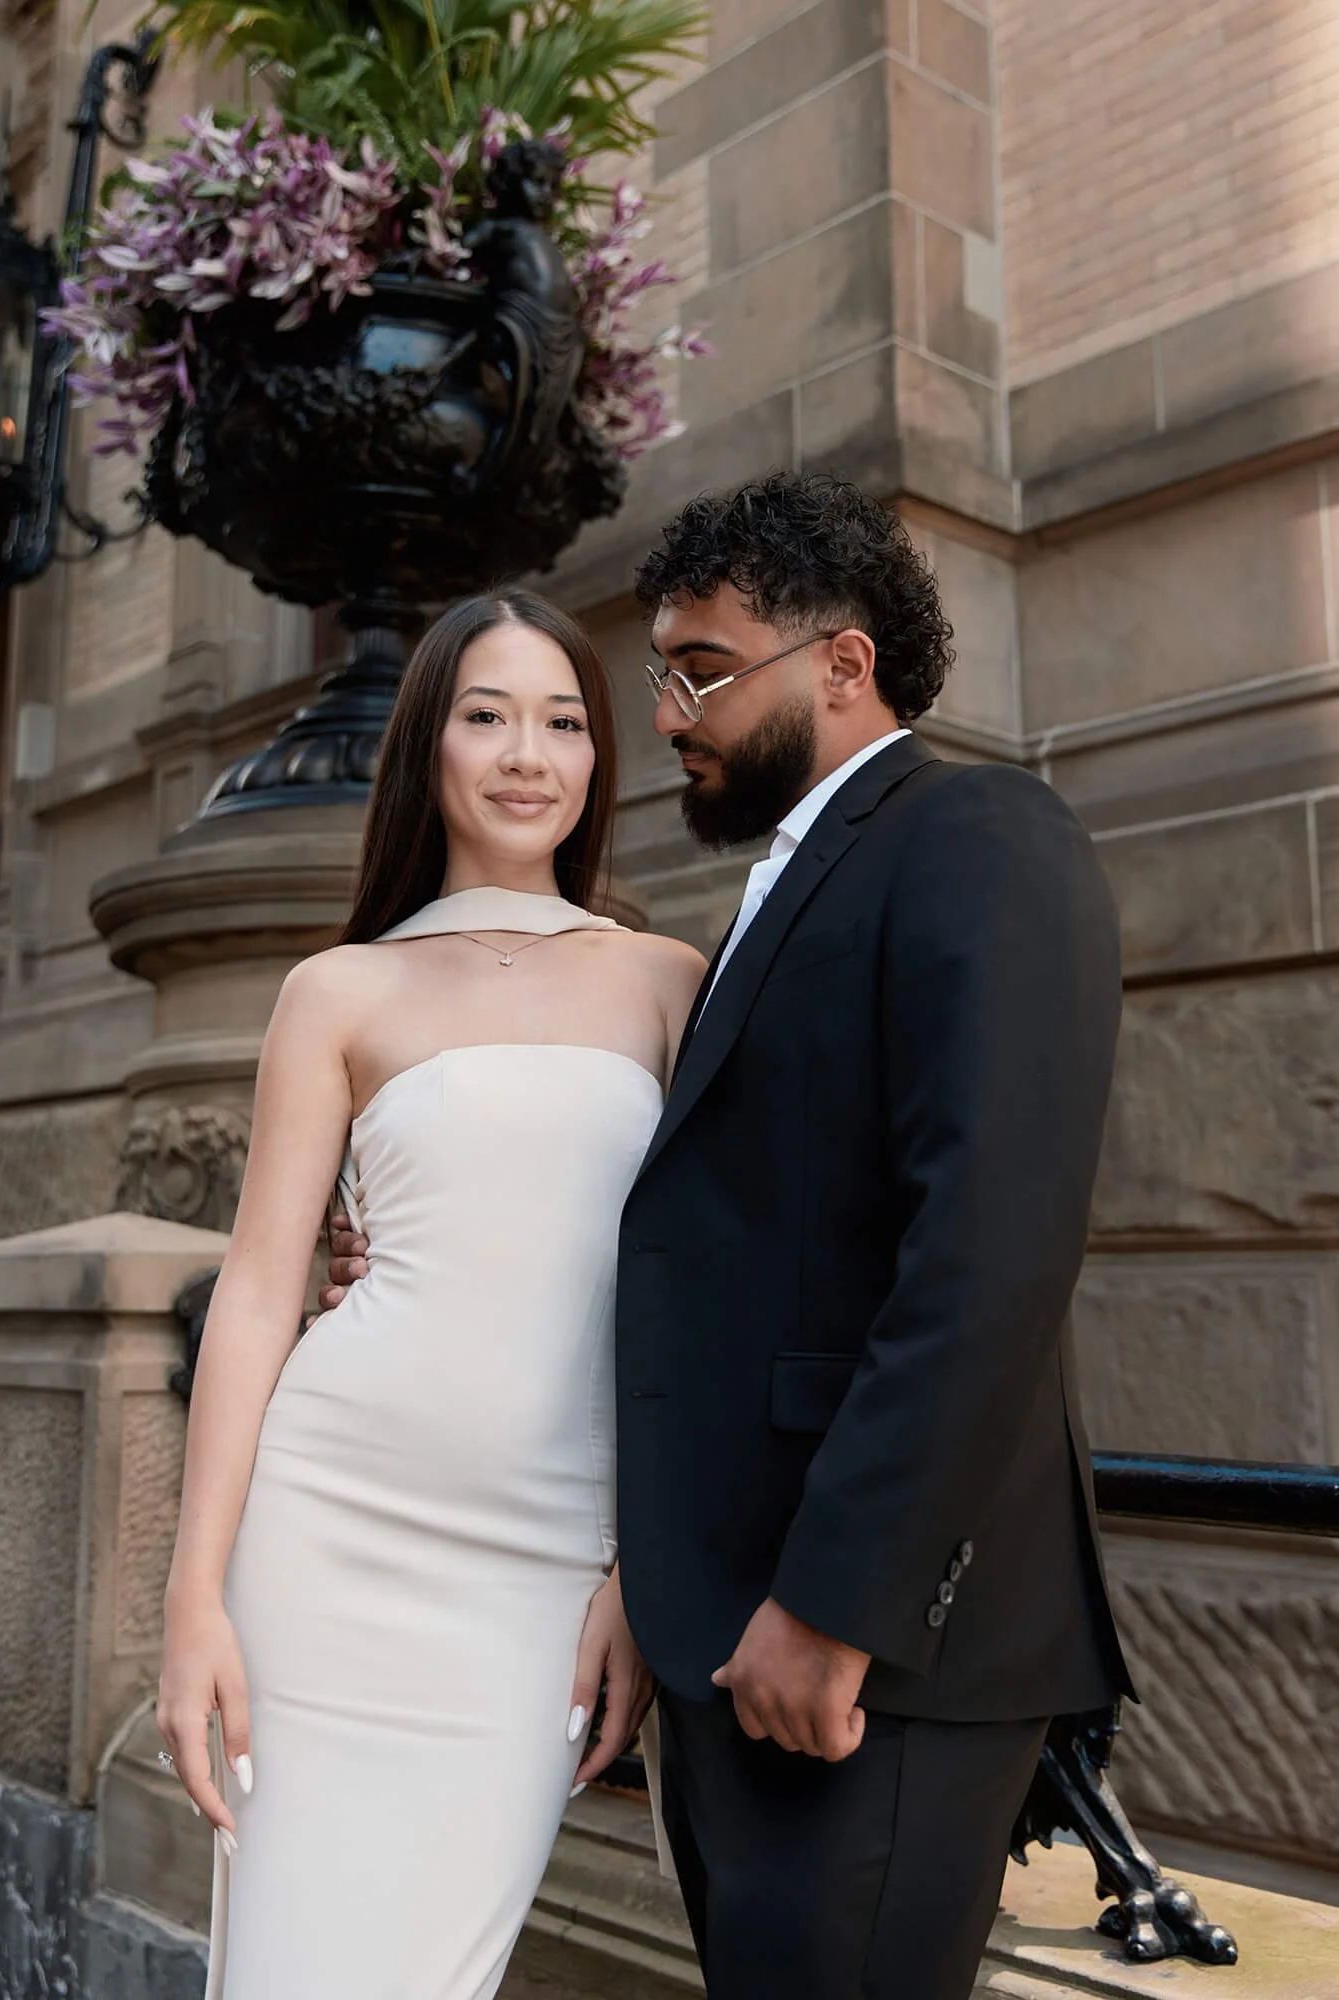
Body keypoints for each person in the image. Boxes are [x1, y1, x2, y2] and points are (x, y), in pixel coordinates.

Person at [326, 473, 1134, 2000]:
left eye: (703, 669)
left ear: (843, 665)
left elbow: (989, 1255)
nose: (672, 712)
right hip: (730, 1646)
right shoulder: (766, 897)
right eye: (665, 673)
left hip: (862, 1657)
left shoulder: (978, 833)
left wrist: (835, 1608)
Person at [155, 588, 706, 2000]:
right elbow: (263, 1296)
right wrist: (193, 1602)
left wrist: (643, 1568)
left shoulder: (668, 981)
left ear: (599, 761)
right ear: (431, 750)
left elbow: (708, 1298)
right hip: (329, 1538)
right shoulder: (336, 991)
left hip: (544, 1568)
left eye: (565, 721)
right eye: (487, 715)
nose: (528, 753)